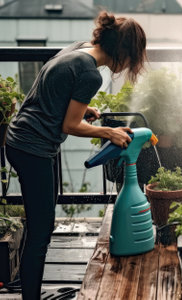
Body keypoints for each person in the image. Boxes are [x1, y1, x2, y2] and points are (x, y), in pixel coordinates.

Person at [5, 11, 147, 299]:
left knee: (41, 222)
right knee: (40, 234)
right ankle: (30, 296)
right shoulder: (90, 73)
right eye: (132, 57)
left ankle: (31, 289)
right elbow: (70, 125)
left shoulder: (78, 48)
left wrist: (86, 109)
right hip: (33, 150)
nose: (130, 64)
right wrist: (110, 133)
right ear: (122, 51)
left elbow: (53, 92)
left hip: (18, 140)